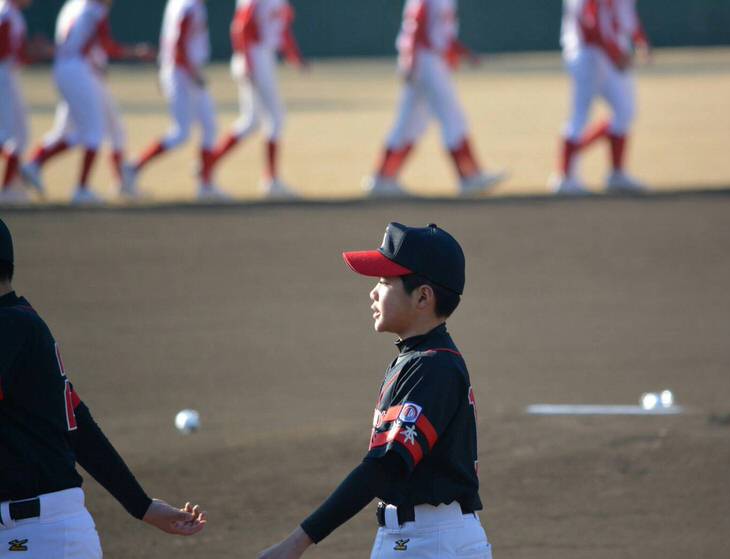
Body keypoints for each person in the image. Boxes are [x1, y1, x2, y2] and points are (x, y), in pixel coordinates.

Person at [257, 222, 491, 559]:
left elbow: (383, 468)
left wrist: (297, 542)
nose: (373, 292)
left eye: (384, 281)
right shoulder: (422, 360)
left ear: (423, 296)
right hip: (429, 538)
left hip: (427, 543)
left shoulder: (430, 367)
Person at [0, 217, 207, 558]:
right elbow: (78, 424)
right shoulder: (22, 322)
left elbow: (78, 423)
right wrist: (140, 504)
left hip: (37, 537)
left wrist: (140, 505)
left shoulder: (9, 327)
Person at [363, 0, 505, 198]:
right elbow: (416, 26)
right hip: (427, 61)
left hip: (426, 60)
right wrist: (411, 60)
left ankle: (383, 178)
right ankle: (469, 176)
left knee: (410, 124)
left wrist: (460, 52)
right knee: (452, 118)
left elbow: (440, 34)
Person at [21, 33, 155, 201]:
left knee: (70, 131)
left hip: (70, 73)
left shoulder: (72, 8)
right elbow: (104, 45)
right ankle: (81, 187)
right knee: (93, 131)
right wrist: (135, 52)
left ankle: (35, 165)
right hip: (85, 77)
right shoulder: (93, 11)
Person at [122, 0, 228, 201]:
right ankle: (133, 168)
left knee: (209, 126)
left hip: (180, 70)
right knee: (181, 132)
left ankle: (206, 184)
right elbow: (179, 44)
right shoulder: (188, 6)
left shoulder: (181, 3)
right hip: (183, 72)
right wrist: (192, 72)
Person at [209, 0, 306, 199]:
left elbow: (282, 28)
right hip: (254, 55)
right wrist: (247, 61)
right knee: (276, 118)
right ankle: (271, 180)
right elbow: (240, 26)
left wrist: (294, 57)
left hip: (261, 56)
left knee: (251, 121)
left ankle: (209, 163)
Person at [552, 0, 649, 195]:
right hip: (589, 52)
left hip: (605, 50)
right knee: (580, 115)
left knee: (625, 111)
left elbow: (624, 14)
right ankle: (565, 178)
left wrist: (639, 39)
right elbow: (592, 22)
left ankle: (616, 174)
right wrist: (615, 53)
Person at [0, 0, 45, 204]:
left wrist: (34, 51)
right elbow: (5, 53)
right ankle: (8, 188)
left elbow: (17, 56)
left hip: (9, 75)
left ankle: (12, 185)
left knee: (20, 134)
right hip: (3, 77)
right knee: (13, 136)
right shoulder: (5, 12)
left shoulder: (13, 13)